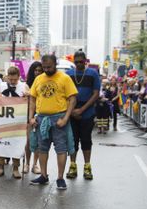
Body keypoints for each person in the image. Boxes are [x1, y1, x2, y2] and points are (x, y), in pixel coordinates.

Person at [29, 54, 77, 190]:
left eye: (49, 67)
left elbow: (72, 99)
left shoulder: (65, 78)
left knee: (61, 149)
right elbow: (32, 99)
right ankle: (43, 175)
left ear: (55, 64)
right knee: (42, 148)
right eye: (44, 67)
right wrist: (31, 117)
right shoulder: (38, 79)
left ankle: (60, 178)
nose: (46, 69)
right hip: (41, 118)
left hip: (59, 118)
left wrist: (66, 118)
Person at [66, 51, 100, 180]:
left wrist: (81, 110)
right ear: (74, 62)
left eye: (81, 61)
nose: (79, 64)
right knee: (72, 141)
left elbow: (96, 94)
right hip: (71, 112)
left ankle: (87, 166)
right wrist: (73, 110)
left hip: (87, 113)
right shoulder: (68, 74)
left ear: (86, 61)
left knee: (86, 140)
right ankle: (73, 166)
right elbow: (65, 95)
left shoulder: (93, 73)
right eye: (76, 62)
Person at [0, 66, 29, 179]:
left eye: (15, 79)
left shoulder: (24, 86)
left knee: (16, 144)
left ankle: (15, 168)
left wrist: (27, 97)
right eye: (11, 79)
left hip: (18, 121)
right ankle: (0, 167)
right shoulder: (2, 86)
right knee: (1, 143)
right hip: (3, 119)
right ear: (7, 77)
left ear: (19, 77)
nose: (13, 82)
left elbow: (30, 101)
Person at [25, 61, 43, 174]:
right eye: (35, 70)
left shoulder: (45, 83)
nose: (37, 72)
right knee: (28, 141)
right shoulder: (27, 85)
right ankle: (27, 163)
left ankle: (35, 164)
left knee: (39, 142)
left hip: (41, 114)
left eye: (39, 70)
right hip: (28, 114)